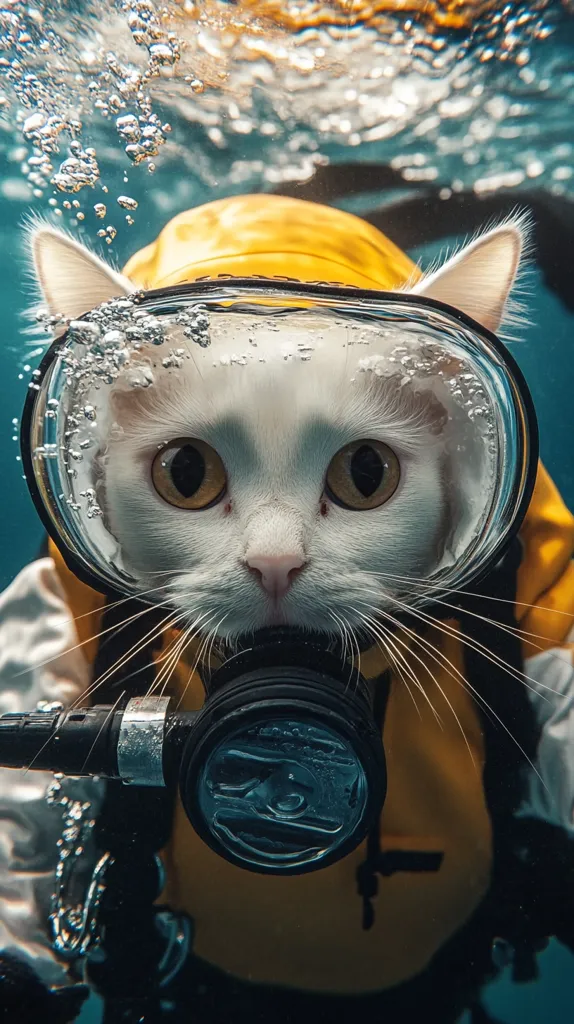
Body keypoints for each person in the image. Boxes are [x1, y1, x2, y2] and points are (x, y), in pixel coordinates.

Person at [1, 194, 574, 1024]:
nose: (276, 555)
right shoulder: (83, 596)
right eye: (187, 474)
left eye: (365, 474)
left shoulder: (517, 576)